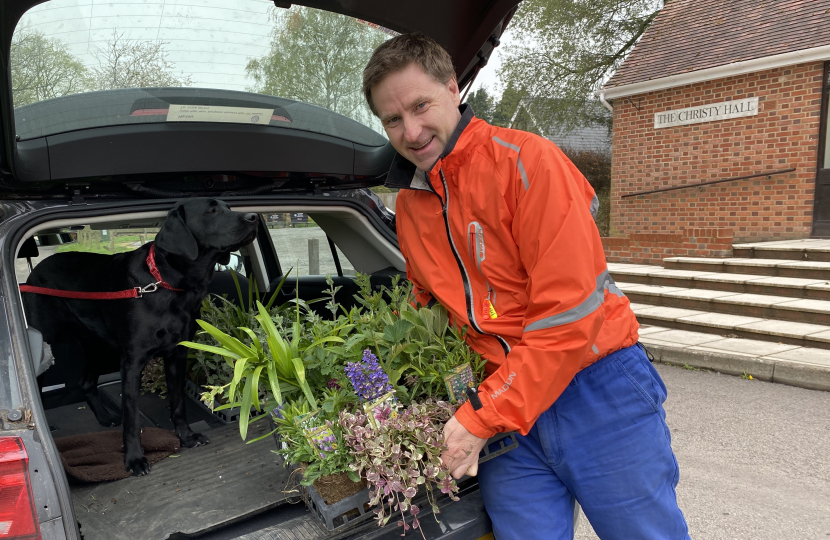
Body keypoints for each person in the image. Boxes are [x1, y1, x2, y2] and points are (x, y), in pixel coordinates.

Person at [362, 33, 691, 540]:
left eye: (420, 105)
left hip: (595, 386)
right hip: (507, 413)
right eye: (392, 119)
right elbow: (427, 302)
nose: (411, 130)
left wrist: (480, 415)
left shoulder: (527, 162)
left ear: (453, 87)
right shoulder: (410, 206)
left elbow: (570, 316)